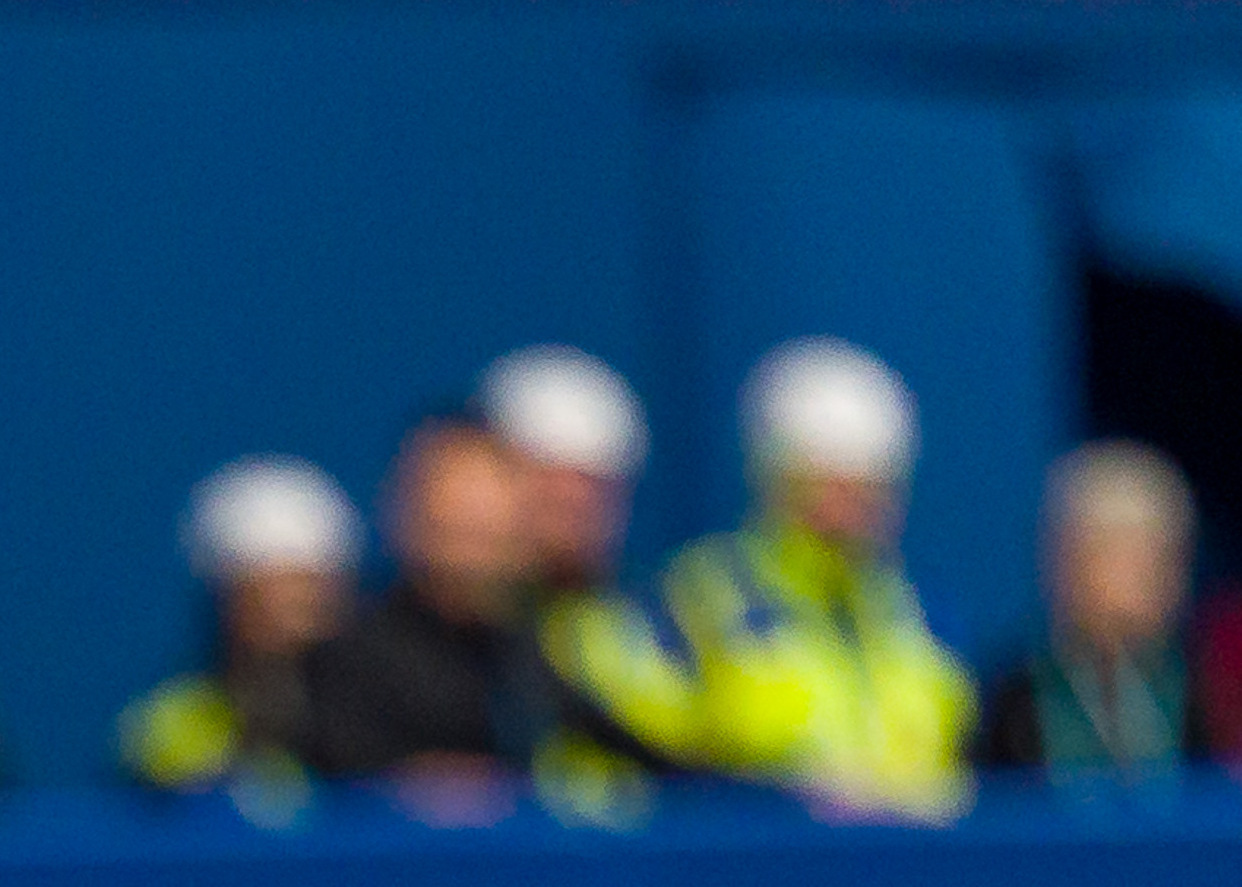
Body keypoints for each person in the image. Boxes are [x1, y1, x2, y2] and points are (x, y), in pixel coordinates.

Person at [652, 341, 973, 819]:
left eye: (874, 488)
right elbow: (655, 768)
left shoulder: (921, 614)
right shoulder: (703, 594)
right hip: (759, 872)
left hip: (911, 873)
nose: (854, 511)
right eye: (831, 486)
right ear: (778, 481)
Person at [297, 412, 560, 792]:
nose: (474, 543)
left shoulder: (551, 654)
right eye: (456, 525)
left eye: (486, 528)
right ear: (407, 516)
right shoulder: (344, 661)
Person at [488, 343, 683, 813]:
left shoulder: (663, 627)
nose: (573, 507)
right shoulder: (446, 637)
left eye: (595, 487)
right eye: (550, 485)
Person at [114, 457, 351, 806]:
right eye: (267, 587)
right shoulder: (173, 721)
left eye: (308, 584)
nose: (291, 607)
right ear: (227, 596)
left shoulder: (375, 713)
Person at [976, 441, 1200, 788]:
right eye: (1115, 553)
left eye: (1158, 558)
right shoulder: (1013, 705)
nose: (1143, 578)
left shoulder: (1204, 700)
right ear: (1064, 561)